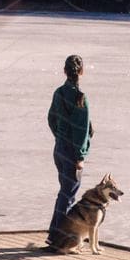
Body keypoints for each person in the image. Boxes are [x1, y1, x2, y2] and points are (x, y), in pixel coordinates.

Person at [47, 54, 92, 247]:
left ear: (65, 71)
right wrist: (80, 156)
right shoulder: (80, 98)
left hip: (59, 149)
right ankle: (56, 235)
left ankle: (60, 233)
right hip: (72, 153)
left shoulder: (58, 93)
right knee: (67, 194)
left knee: (65, 193)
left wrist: (59, 136)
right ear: (81, 72)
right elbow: (81, 131)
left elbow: (51, 119)